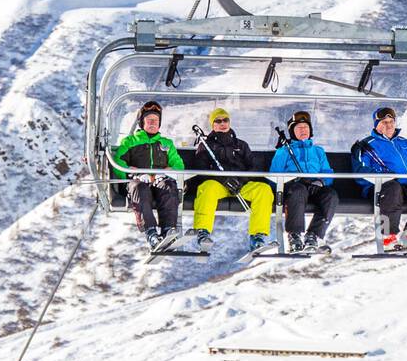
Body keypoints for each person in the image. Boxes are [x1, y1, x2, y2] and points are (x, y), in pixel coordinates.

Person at [351, 106, 407, 251]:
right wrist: (385, 177)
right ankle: (388, 236)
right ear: (376, 125)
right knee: (393, 188)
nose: (389, 125)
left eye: (391, 122)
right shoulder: (366, 146)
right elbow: (361, 169)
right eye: (384, 122)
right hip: (381, 188)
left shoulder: (405, 143)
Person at [190, 107, 274, 253]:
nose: (222, 123)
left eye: (225, 120)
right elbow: (201, 170)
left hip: (241, 185)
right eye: (218, 121)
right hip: (218, 184)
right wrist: (223, 180)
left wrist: (240, 180)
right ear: (213, 125)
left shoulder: (241, 145)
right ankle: (202, 231)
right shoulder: (206, 145)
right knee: (207, 188)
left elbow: (252, 167)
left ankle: (257, 236)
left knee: (264, 190)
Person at [113, 100, 185, 251]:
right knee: (140, 189)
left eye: (156, 120)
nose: (153, 123)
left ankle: (168, 231)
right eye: (149, 119)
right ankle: (151, 233)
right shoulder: (130, 142)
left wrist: (164, 172)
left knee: (169, 186)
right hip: (138, 182)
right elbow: (118, 164)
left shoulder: (166, 144)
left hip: (159, 181)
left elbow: (179, 166)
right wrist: (135, 173)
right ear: (142, 122)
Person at [269, 110, 338, 251]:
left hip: (315, 187)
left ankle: (313, 235)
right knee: (298, 190)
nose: (303, 130)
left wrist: (321, 182)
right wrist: (291, 182)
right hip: (294, 188)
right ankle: (294, 235)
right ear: (292, 132)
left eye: (306, 127)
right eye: (299, 128)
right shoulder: (283, 151)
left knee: (331, 195)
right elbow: (275, 176)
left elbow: (327, 172)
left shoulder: (318, 151)